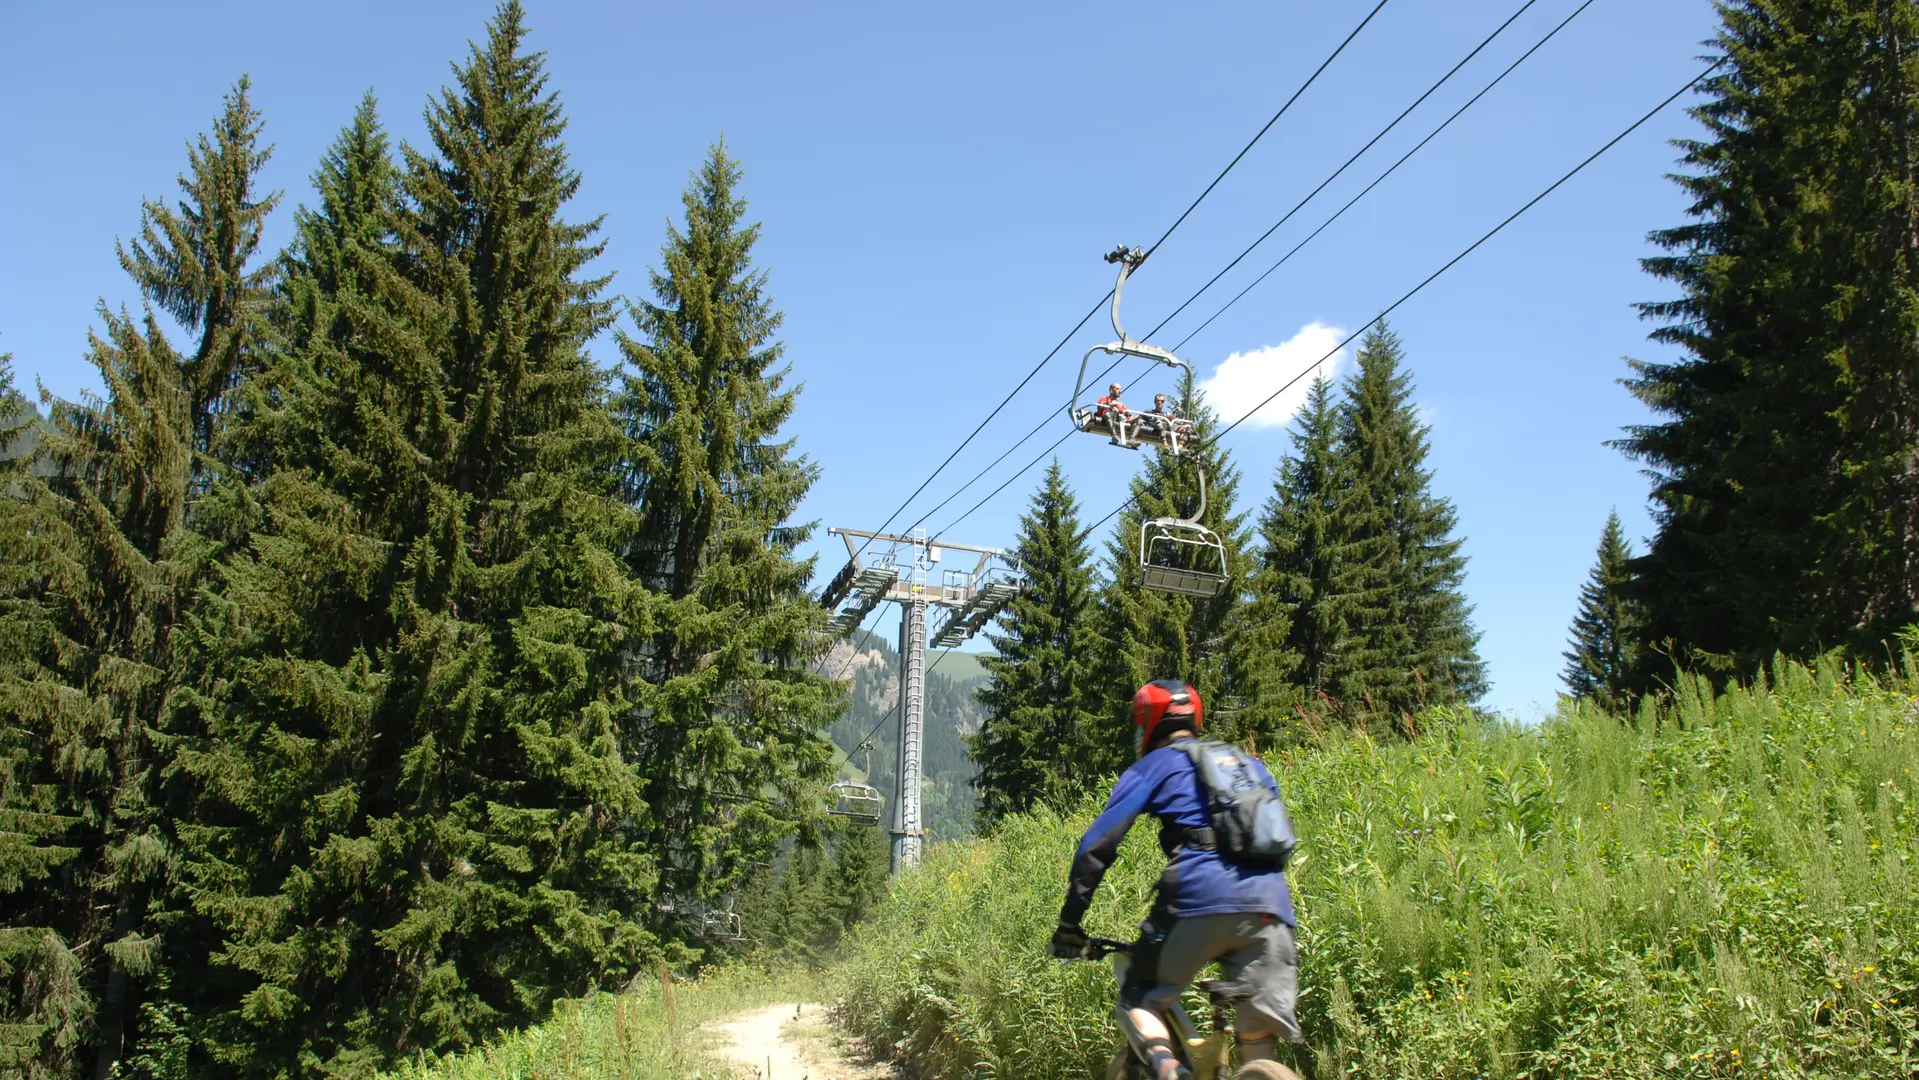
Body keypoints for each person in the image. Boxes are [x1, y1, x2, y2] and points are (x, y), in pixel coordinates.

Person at [1051, 681, 1300, 1080]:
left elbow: (1095, 847)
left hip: (1197, 898)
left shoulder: (1154, 766)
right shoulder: (1247, 764)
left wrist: (1070, 924)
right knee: (1255, 1034)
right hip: (1271, 905)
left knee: (1139, 998)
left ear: (1145, 724)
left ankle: (1168, 1071)